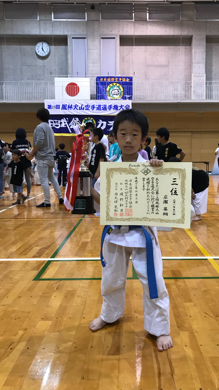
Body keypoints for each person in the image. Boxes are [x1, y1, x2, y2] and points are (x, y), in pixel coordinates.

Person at [89, 109, 173, 352]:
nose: (128, 139)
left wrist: (159, 168)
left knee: (153, 281)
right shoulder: (110, 169)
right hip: (115, 233)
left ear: (144, 140)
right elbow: (99, 201)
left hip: (143, 234)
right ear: (114, 137)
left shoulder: (151, 167)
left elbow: (165, 194)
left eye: (134, 135)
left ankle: (160, 328)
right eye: (123, 134)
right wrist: (83, 185)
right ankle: (110, 314)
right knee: (112, 278)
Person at [27, 108, 64, 208]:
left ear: (38, 117)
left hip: (43, 158)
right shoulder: (50, 128)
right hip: (51, 158)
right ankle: (60, 197)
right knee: (52, 178)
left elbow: (39, 142)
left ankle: (47, 201)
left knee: (44, 179)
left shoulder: (40, 127)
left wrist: (32, 152)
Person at [12, 128, 32, 199]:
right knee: (28, 179)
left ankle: (20, 194)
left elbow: (13, 153)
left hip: (18, 163)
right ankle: (29, 194)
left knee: (19, 179)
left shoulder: (15, 142)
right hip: (27, 162)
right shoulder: (27, 141)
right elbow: (30, 151)